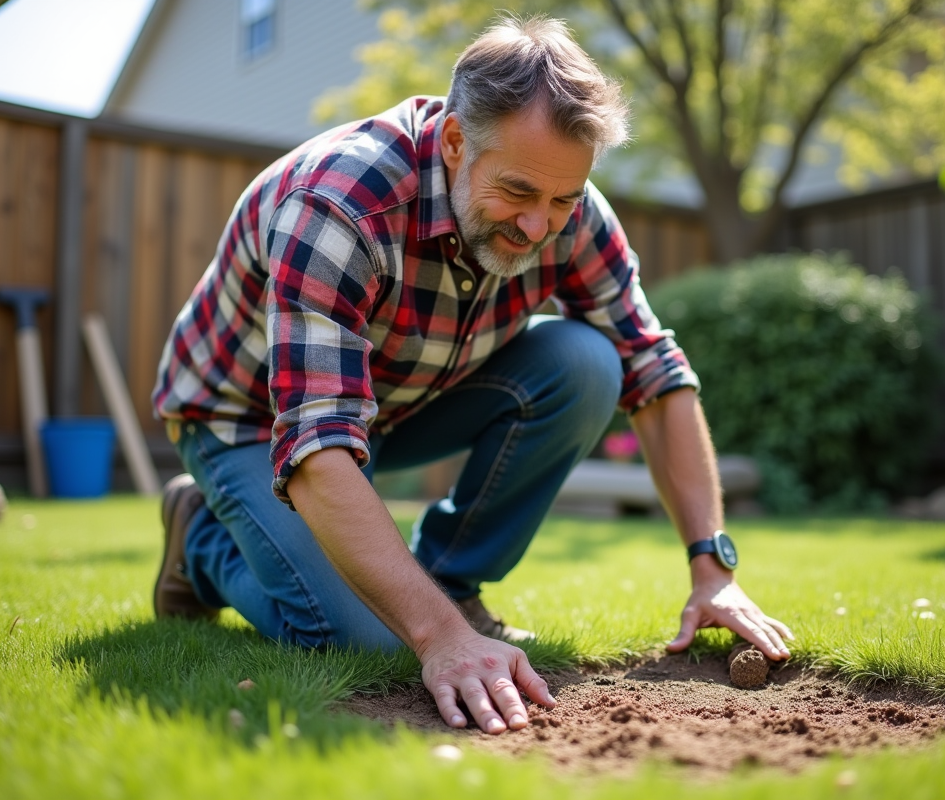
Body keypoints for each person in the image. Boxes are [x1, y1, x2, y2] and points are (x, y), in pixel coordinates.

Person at [151, 15, 792, 736]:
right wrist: (436, 638)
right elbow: (316, 442)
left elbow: (655, 369)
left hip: (398, 402)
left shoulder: (568, 212)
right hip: (249, 420)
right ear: (455, 142)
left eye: (562, 200)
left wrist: (714, 568)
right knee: (369, 639)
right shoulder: (339, 206)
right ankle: (199, 540)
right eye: (518, 192)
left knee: (587, 362)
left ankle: (450, 583)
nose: (538, 227)